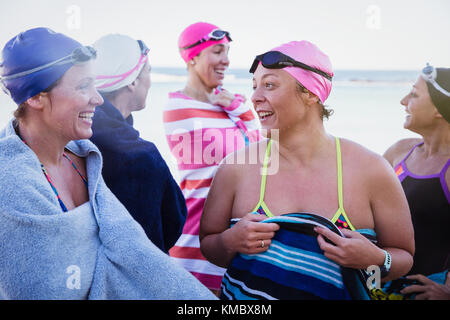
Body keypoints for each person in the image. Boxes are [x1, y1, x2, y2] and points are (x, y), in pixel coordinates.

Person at [0, 27, 215, 300]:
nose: (98, 98)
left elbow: (133, 247)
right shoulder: (10, 181)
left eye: (94, 84)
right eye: (82, 86)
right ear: (35, 97)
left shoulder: (85, 157)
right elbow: (48, 288)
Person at [199, 40, 415, 300]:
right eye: (254, 86)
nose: (255, 98)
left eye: (269, 85)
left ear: (312, 93)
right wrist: (229, 242)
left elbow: (403, 257)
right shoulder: (235, 167)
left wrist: (376, 260)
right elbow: (210, 244)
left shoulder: (371, 170)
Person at [163, 22, 262, 293]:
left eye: (227, 52)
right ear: (192, 57)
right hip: (196, 240)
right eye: (217, 51)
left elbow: (264, 151)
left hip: (238, 239)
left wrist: (239, 107)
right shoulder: (178, 107)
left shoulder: (235, 102)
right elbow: (246, 156)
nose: (226, 60)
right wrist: (243, 117)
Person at [89, 34, 187, 254]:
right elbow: (169, 227)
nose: (150, 81)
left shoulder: (72, 133)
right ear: (132, 81)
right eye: (148, 71)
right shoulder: (141, 157)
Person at [383, 65, 450, 300]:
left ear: (439, 109)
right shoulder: (399, 152)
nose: (403, 101)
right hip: (381, 286)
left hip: (425, 291)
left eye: (413, 94)